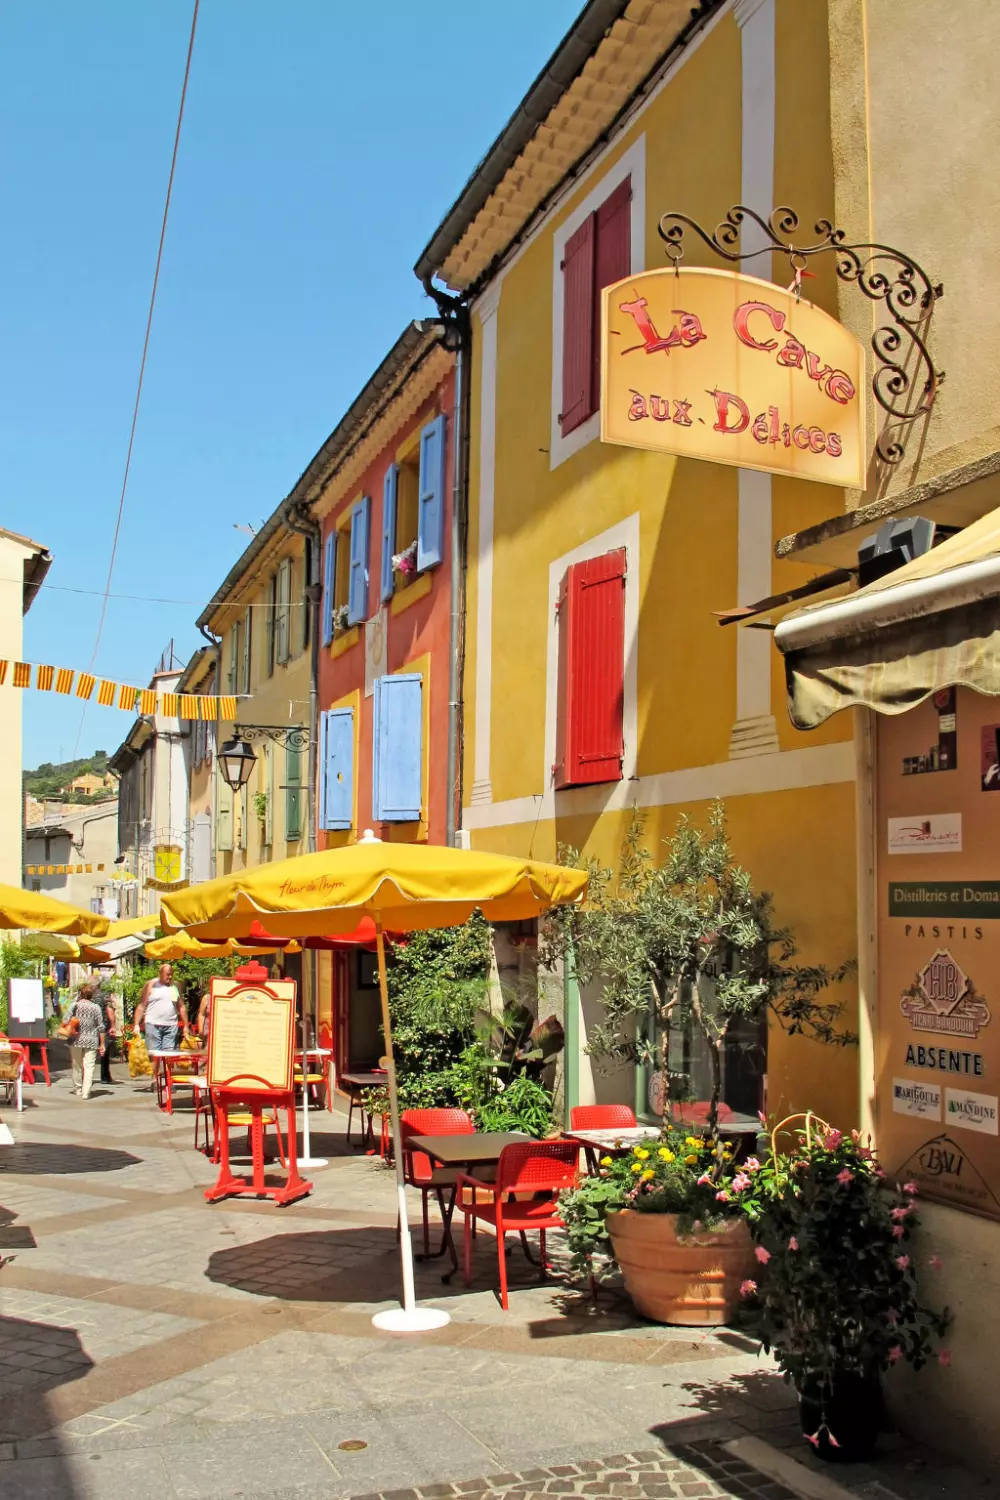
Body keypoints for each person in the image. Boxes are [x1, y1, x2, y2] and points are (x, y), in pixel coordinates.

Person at [133, 964, 187, 1055]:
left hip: (171, 1025)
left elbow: (181, 1006)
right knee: (154, 1055)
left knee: (169, 1055)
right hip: (153, 1025)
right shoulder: (151, 984)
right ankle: (155, 1070)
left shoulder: (175, 986)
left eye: (171, 975)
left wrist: (186, 1025)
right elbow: (142, 1005)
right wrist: (136, 1024)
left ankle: (166, 1069)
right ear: (160, 973)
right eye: (167, 974)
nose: (170, 977)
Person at [67, 984, 105, 1099]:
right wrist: (102, 1044)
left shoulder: (74, 1005)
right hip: (92, 1040)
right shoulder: (96, 1008)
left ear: (80, 993)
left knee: (76, 1065)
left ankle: (78, 1088)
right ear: (91, 996)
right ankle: (86, 1092)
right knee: (89, 1066)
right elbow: (101, 1027)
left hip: (76, 1039)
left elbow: (65, 1019)